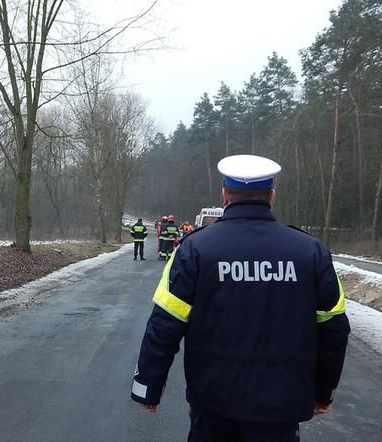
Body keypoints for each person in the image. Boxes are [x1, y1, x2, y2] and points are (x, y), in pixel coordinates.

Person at [130, 154, 350, 442]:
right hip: (280, 405)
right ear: (271, 195)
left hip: (213, 402)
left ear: (225, 195)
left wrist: (148, 385)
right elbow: (333, 329)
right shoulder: (311, 252)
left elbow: (165, 323)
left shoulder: (194, 249)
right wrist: (323, 392)